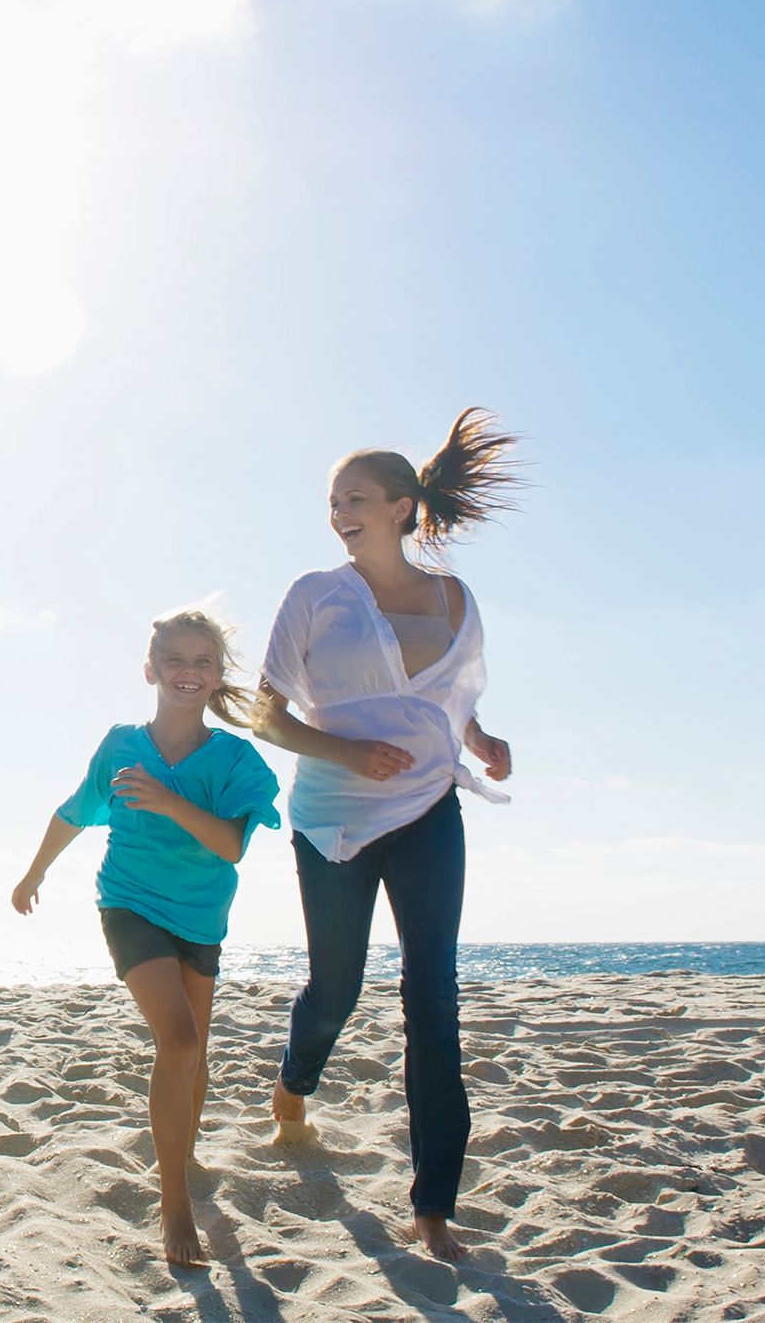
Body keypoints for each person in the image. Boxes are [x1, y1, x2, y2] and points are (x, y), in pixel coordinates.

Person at [253, 408, 524, 1261]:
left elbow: (453, 693)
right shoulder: (313, 595)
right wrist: (344, 749)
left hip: (427, 809)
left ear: (404, 506)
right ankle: (294, 1083)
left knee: (432, 999)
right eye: (333, 501)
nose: (339, 512)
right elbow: (265, 713)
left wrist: (480, 742)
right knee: (336, 989)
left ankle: (434, 1205)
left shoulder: (452, 597)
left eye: (356, 498)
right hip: (333, 817)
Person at [10, 609, 281, 1269]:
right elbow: (75, 810)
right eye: (175, 660)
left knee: (197, 1055)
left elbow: (230, 845)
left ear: (218, 676)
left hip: (201, 918)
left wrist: (166, 801)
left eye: (203, 662)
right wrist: (34, 871)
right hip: (130, 904)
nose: (188, 672)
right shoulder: (121, 745)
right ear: (151, 670)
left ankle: (181, 1150)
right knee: (178, 1040)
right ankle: (175, 1201)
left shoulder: (236, 757)